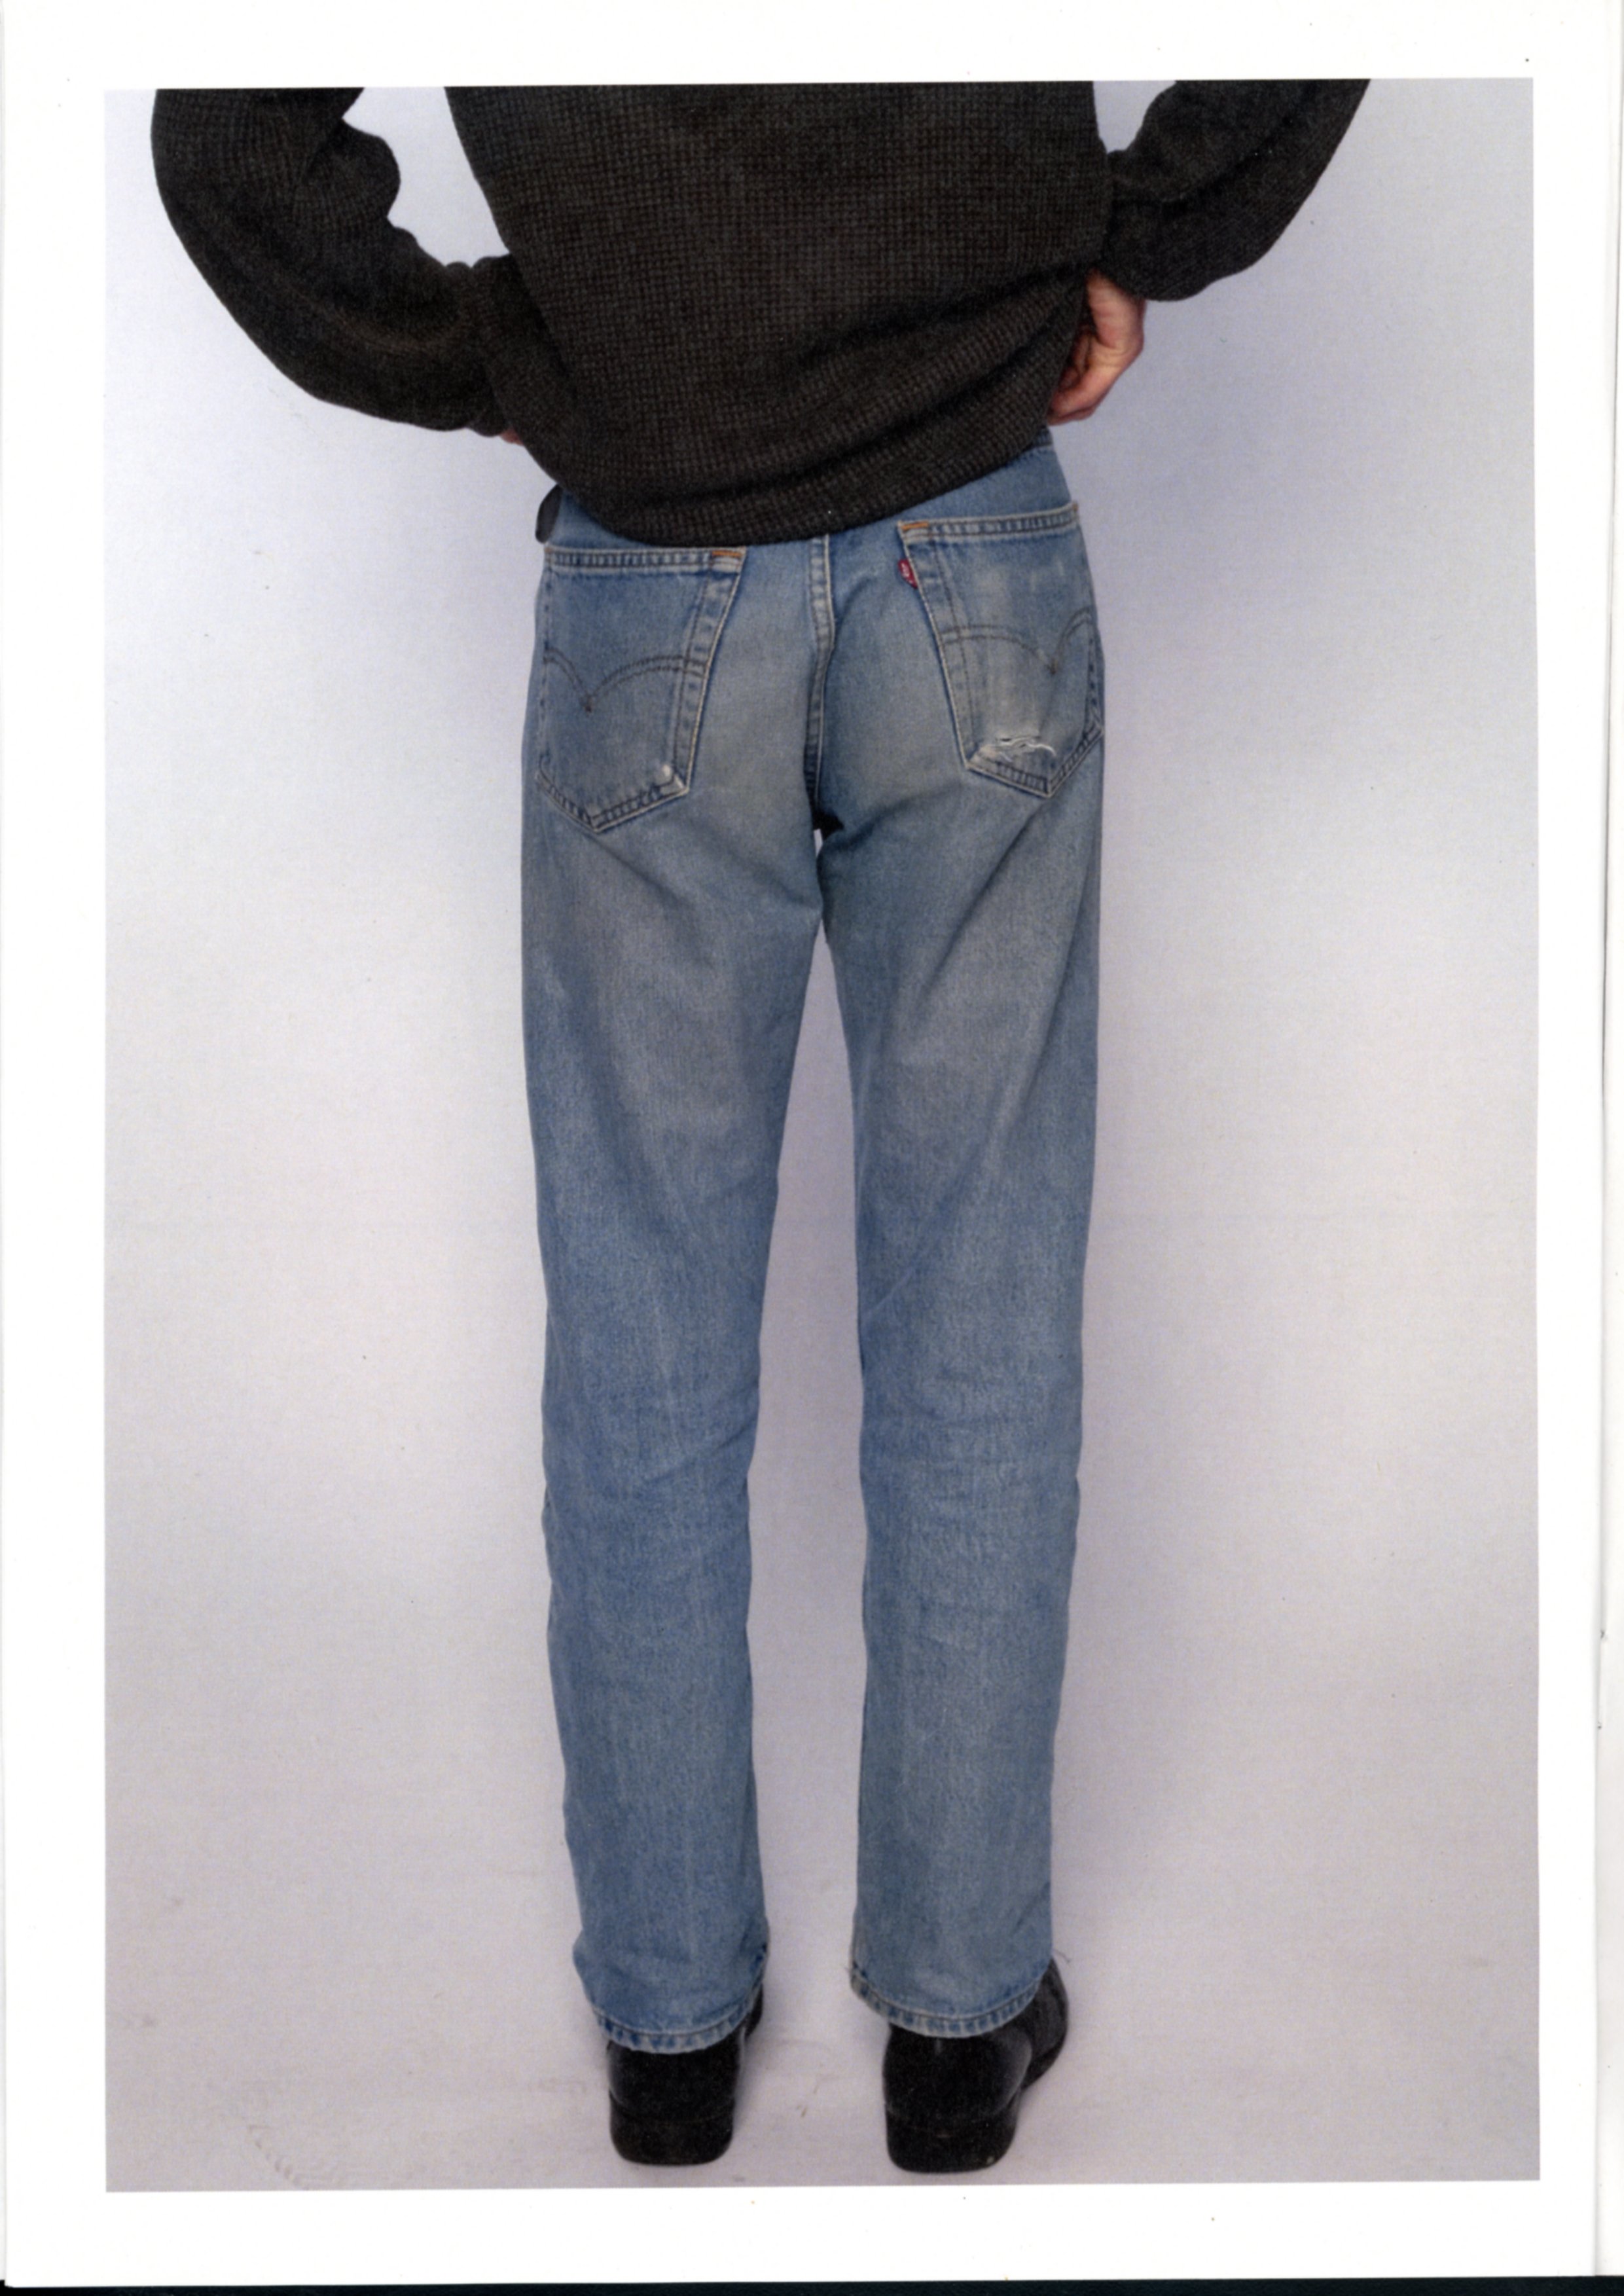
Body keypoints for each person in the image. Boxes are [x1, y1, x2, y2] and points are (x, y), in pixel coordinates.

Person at [150, 80, 1366, 2176]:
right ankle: (958, 2027)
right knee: (982, 1324)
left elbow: (226, 142)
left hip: (651, 581)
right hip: (973, 540)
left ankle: (669, 2031)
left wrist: (508, 353)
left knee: (639, 1344)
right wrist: (1137, 231)